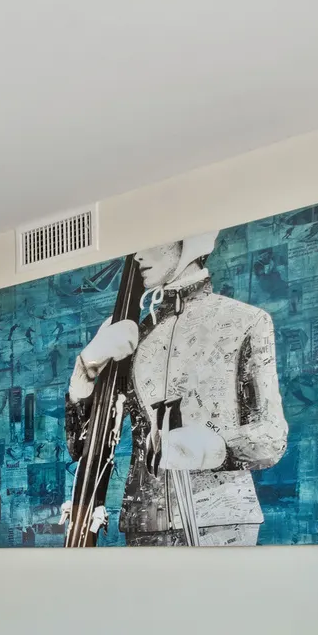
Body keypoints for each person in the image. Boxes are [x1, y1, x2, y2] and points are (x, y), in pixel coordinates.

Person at [63, 232, 287, 545]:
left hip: (222, 523)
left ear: (189, 243)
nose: (138, 256)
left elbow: (272, 436)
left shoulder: (245, 321)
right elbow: (82, 450)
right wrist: (85, 370)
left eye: (151, 241)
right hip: (143, 523)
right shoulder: (132, 336)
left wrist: (211, 446)